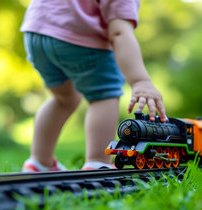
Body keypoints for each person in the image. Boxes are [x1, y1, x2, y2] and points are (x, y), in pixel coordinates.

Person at [20, 0, 167, 172]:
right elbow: (119, 32)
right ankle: (97, 162)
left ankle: (39, 161)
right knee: (103, 96)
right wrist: (140, 81)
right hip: (79, 37)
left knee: (63, 99)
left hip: (36, 32)